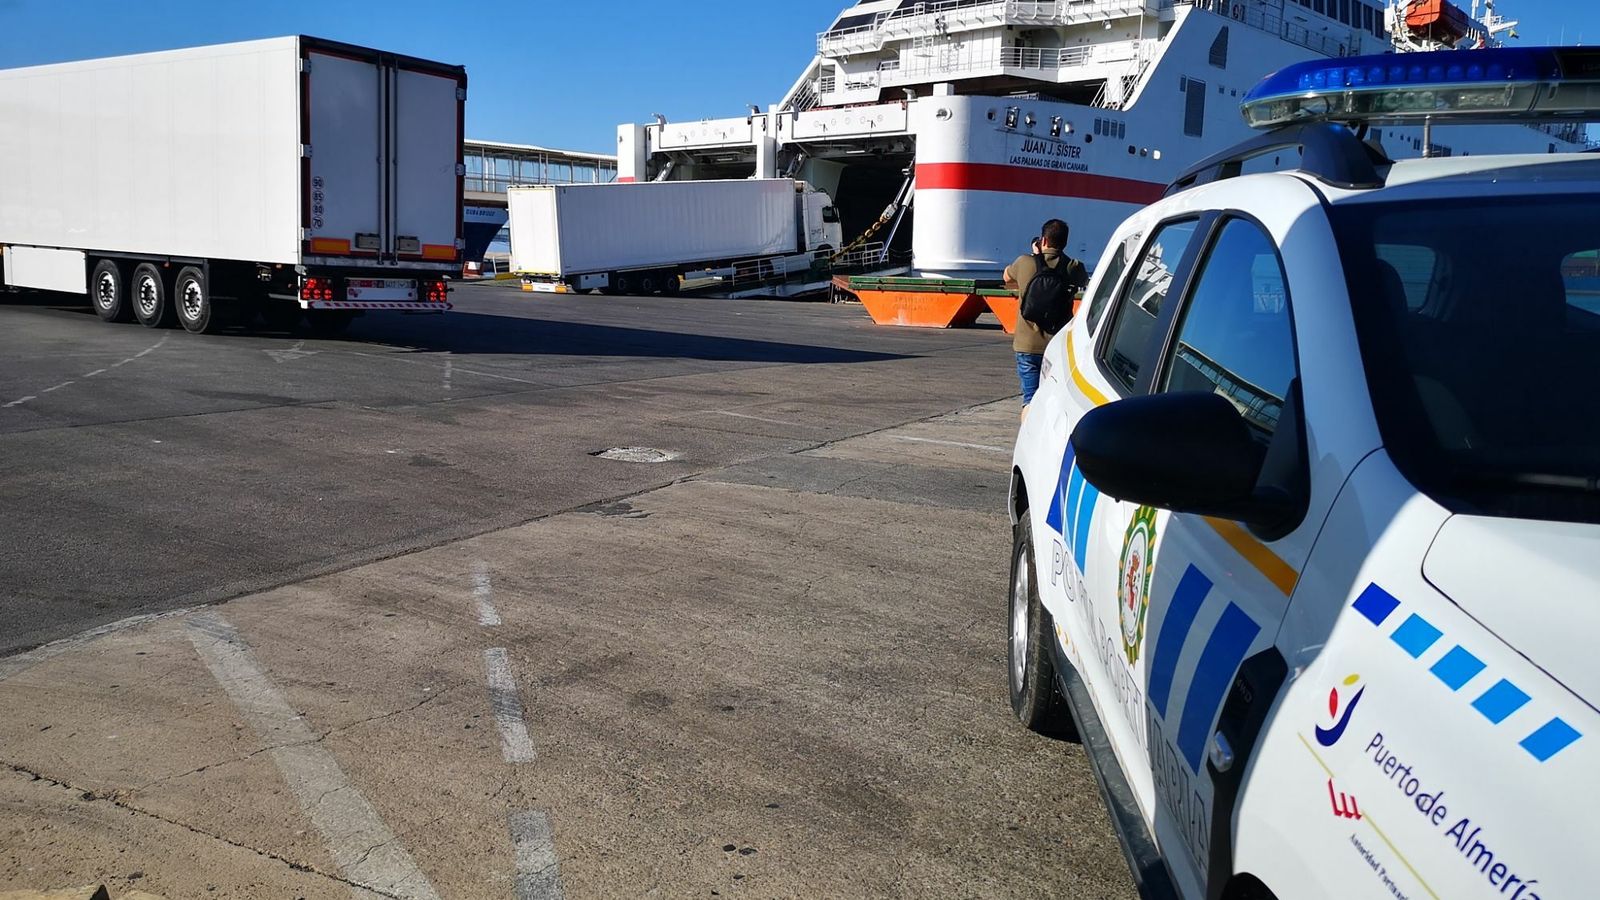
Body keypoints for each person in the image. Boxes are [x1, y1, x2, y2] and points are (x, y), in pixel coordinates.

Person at [1004, 218, 1088, 411]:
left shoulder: (1024, 262)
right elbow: (1084, 281)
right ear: (1065, 242)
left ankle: (1028, 427)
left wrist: (1036, 256)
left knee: (1030, 401)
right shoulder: (1074, 266)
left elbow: (1006, 277)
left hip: (1027, 345)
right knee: (1054, 402)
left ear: (1043, 240)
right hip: (1057, 346)